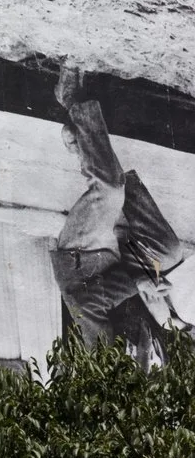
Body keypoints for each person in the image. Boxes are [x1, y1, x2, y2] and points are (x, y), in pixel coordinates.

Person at [51, 64, 187, 366]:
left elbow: (85, 305)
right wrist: (169, 312)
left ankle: (71, 98)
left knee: (110, 190)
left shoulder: (105, 366)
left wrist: (138, 284)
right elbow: (164, 315)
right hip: (120, 264)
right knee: (169, 251)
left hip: (83, 258)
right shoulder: (159, 370)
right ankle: (86, 146)